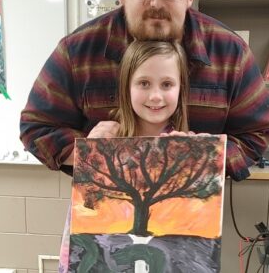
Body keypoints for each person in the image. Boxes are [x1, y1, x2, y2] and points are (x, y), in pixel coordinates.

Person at [20, 0, 269, 184]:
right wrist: (92, 152)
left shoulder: (229, 53)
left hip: (191, 222)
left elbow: (257, 133)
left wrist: (206, 155)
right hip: (107, 218)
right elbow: (36, 128)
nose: (156, 2)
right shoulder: (77, 51)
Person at [58, 39, 189, 271]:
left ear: (181, 89)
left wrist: (200, 153)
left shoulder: (188, 149)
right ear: (127, 87)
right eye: (144, 83)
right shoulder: (105, 142)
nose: (156, 96)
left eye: (167, 84)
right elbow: (81, 221)